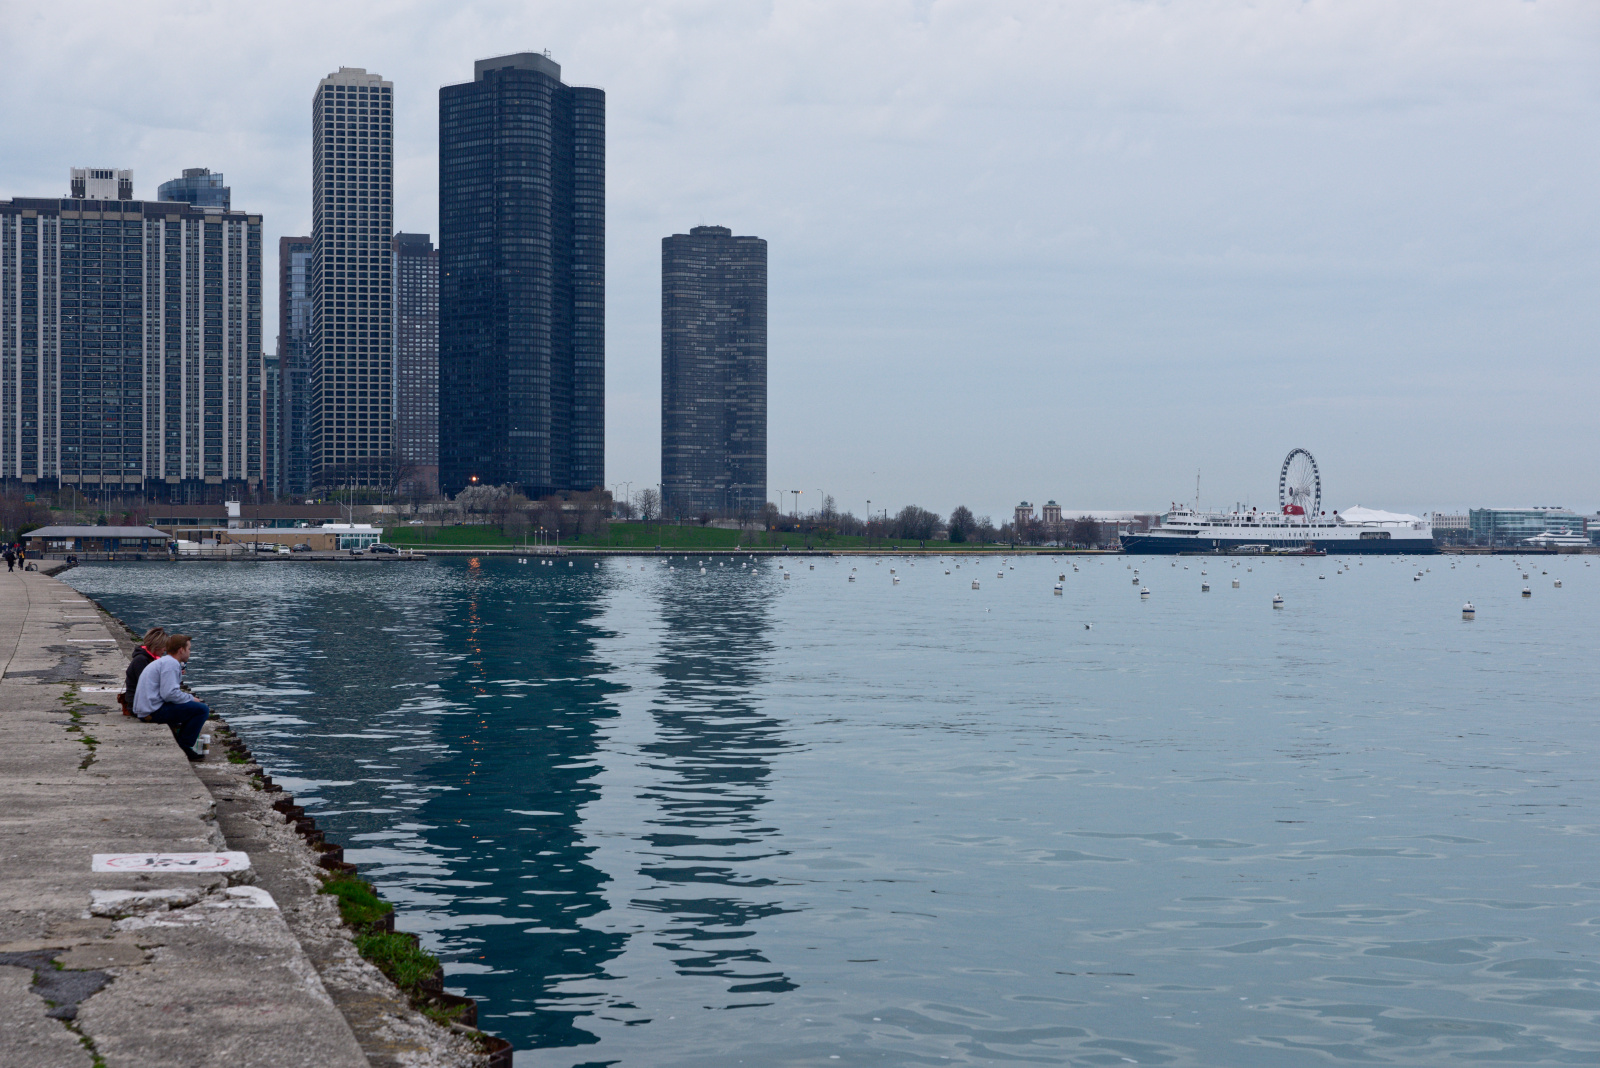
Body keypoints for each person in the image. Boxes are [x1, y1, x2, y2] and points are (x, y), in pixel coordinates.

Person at [131, 634, 210, 761]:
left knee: (190, 707)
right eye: (189, 649)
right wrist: (190, 698)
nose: (190, 652)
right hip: (152, 711)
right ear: (181, 650)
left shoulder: (164, 661)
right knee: (202, 710)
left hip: (146, 709)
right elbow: (169, 694)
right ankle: (185, 746)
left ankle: (182, 741)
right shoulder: (171, 664)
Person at [118, 627, 167, 717]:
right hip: (137, 705)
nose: (165, 649)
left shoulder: (148, 658)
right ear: (156, 646)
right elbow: (149, 686)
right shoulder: (141, 660)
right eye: (164, 646)